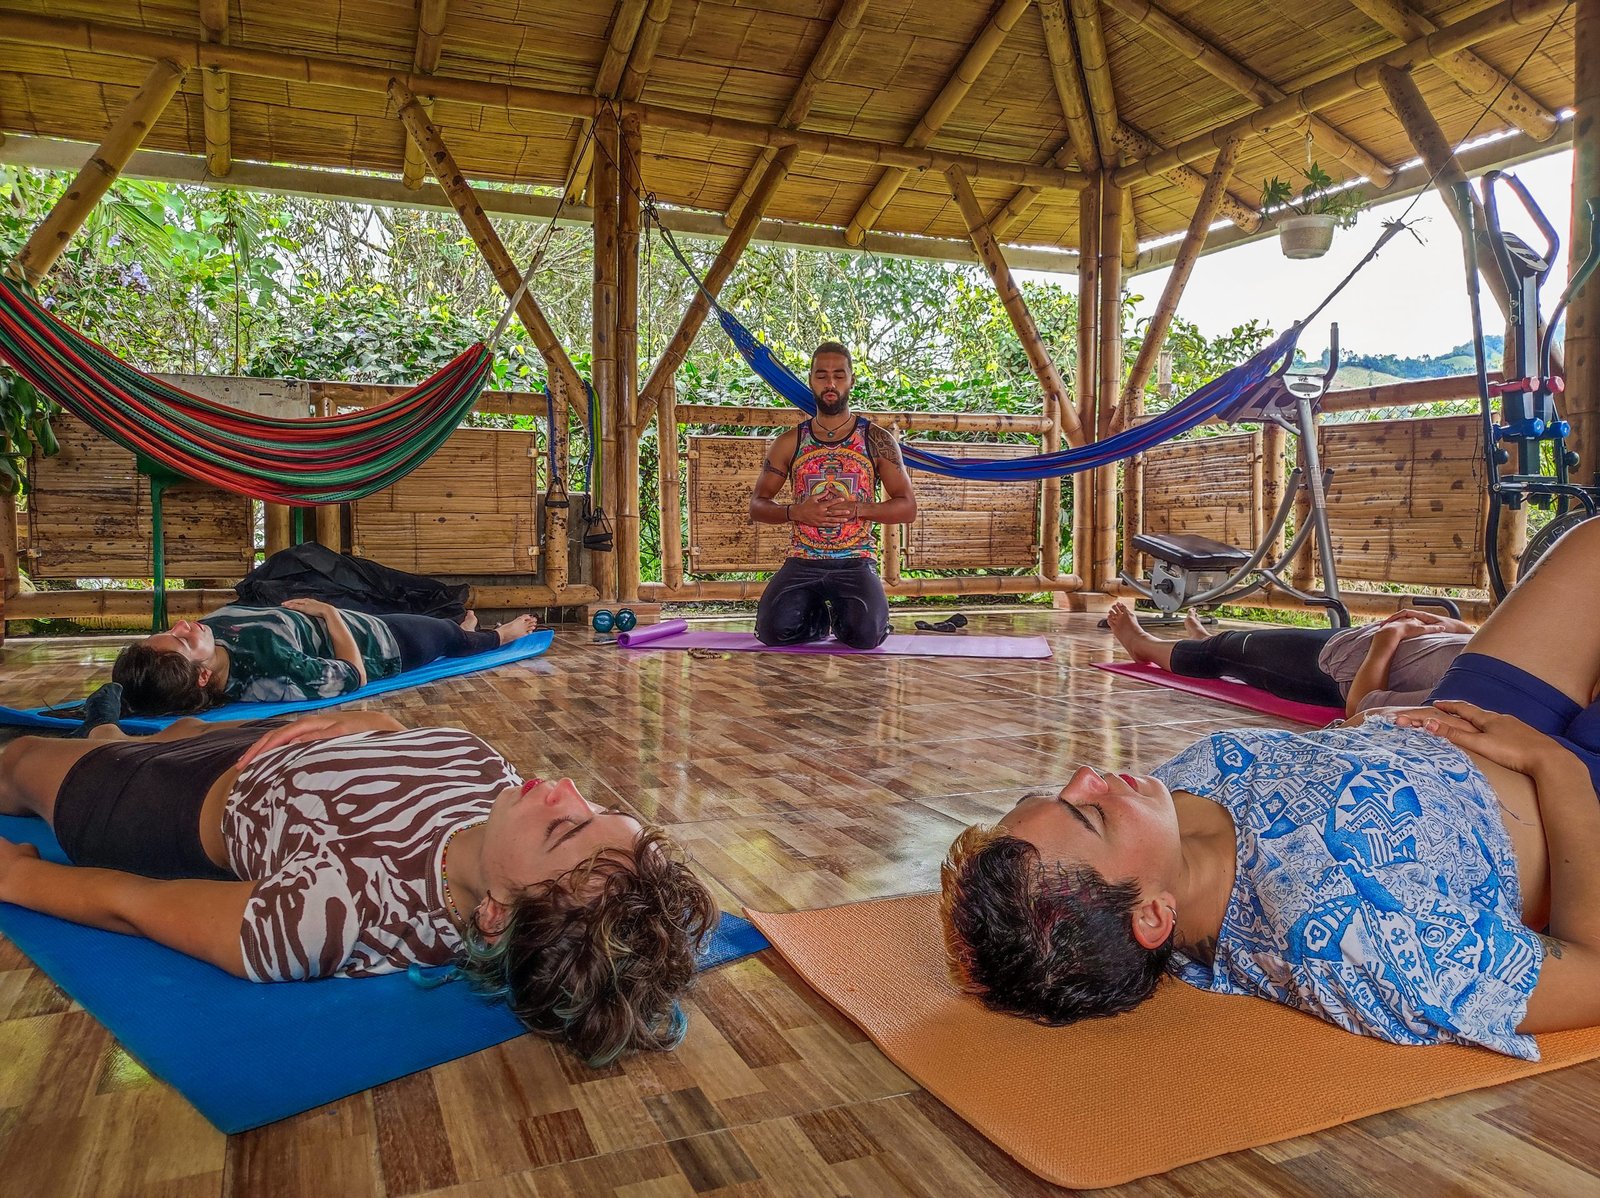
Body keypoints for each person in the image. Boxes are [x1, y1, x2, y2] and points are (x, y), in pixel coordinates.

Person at [943, 515, 1600, 1059]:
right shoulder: (1352, 948)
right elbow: (1594, 970)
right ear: (1152, 916)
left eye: (1058, 792)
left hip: (1470, 717)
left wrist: (1366, 726)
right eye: (1091, 816)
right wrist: (1555, 768)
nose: (1086, 777)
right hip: (1574, 797)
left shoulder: (1168, 804)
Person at [0, 710, 718, 1066]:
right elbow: (407, 751)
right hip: (271, 741)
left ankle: (106, 747)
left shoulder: (339, 912)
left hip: (177, 799)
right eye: (596, 805)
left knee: (21, 759)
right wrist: (371, 723)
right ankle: (113, 736)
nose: (563, 788)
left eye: (565, 827)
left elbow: (137, 906)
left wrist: (21, 877)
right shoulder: (500, 795)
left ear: (497, 917)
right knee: (179, 724)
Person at [749, 341, 917, 649]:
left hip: (855, 561)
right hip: (803, 560)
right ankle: (819, 620)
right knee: (772, 632)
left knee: (867, 636)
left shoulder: (876, 440)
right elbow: (757, 505)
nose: (830, 383)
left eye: (839, 375)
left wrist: (858, 509)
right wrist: (794, 512)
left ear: (851, 380)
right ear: (810, 380)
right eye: (822, 375)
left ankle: (846, 614)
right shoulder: (789, 442)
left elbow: (907, 507)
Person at [111, 601, 539, 715]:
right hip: (385, 644)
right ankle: (500, 635)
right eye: (182, 640)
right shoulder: (274, 676)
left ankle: (461, 628)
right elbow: (355, 675)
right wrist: (328, 613)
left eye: (170, 631)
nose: (183, 625)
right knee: (446, 637)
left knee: (438, 621)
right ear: (203, 677)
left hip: (359, 620)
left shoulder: (204, 639)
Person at [1105, 601, 1472, 716]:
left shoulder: (1473, 695)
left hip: (1330, 671)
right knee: (1235, 647)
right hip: (1352, 643)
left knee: (1223, 651)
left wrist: (1388, 637)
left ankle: (1143, 645)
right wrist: (1455, 627)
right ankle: (1207, 643)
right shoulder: (1502, 660)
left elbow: (1361, 707)